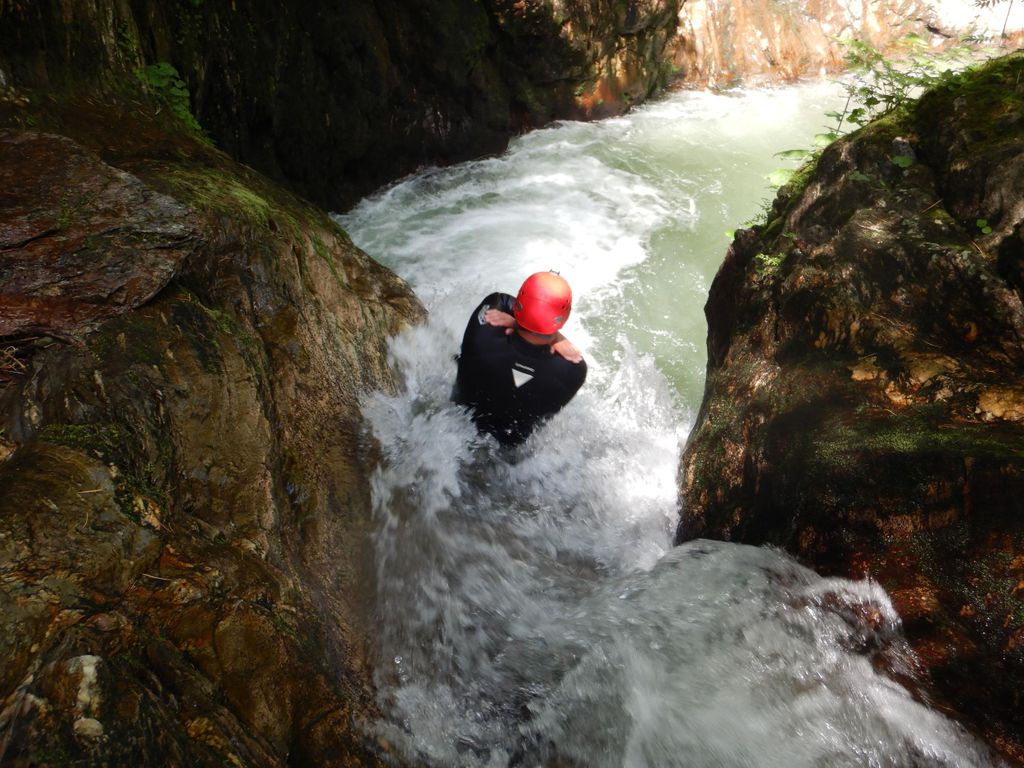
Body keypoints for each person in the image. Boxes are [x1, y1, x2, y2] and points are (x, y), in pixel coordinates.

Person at [453, 271, 587, 446]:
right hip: (507, 458)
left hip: (454, 426)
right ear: (564, 318)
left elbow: (502, 300)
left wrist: (516, 323)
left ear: (519, 306)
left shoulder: (484, 332)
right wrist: (556, 338)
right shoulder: (574, 370)